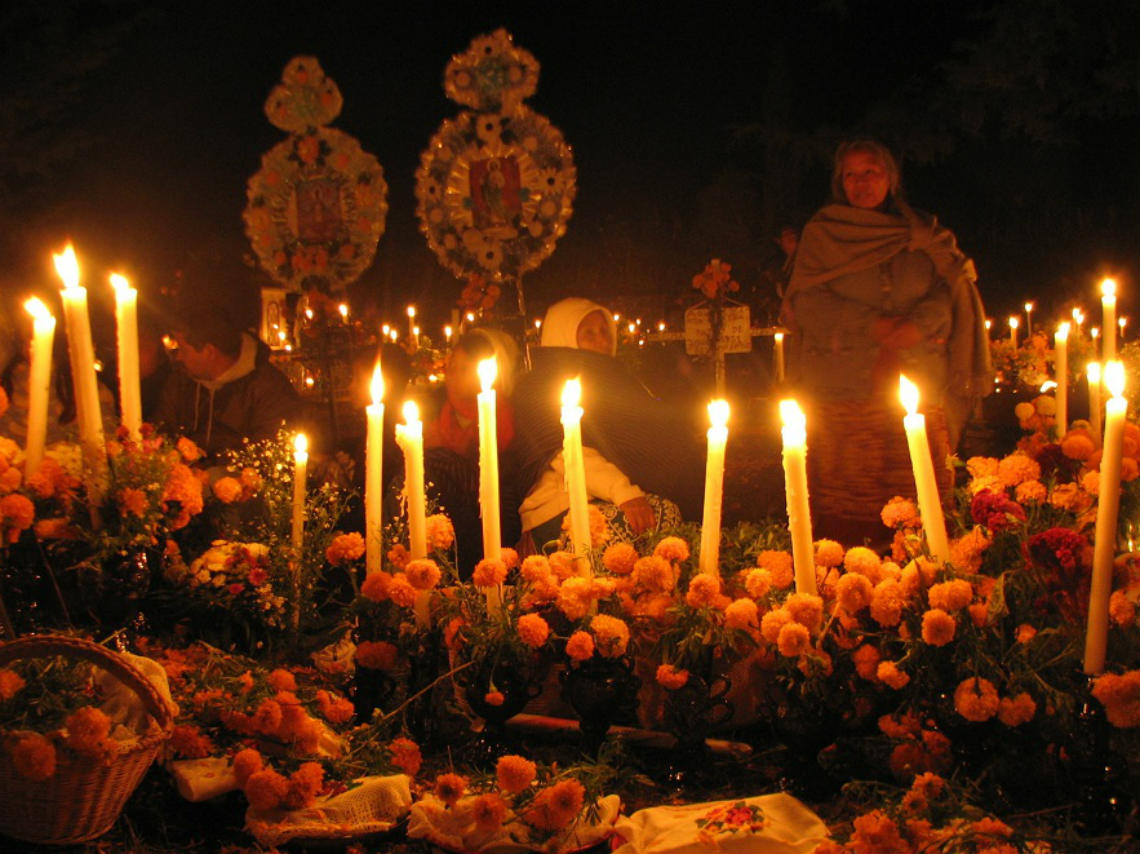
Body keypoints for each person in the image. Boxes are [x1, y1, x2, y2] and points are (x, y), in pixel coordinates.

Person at [782, 139, 991, 545]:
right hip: (844, 389)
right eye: (851, 174)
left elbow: (951, 288)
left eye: (871, 172)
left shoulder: (923, 233)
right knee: (848, 506)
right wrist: (871, 325)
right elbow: (806, 301)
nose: (861, 183)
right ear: (840, 182)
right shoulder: (825, 234)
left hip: (918, 383)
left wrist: (920, 324)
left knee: (920, 498)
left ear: (890, 178)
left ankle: (923, 592)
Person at [512, 298, 704, 552]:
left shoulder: (615, 381)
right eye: (589, 334)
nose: (602, 341)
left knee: (669, 520)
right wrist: (623, 492)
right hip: (561, 505)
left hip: (612, 497)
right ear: (562, 336)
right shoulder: (541, 385)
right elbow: (563, 449)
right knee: (655, 521)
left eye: (605, 331)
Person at [154, 265, 301, 459]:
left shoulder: (268, 390)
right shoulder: (181, 381)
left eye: (182, 349)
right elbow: (159, 434)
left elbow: (268, 456)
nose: (178, 356)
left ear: (209, 352)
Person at [418, 328, 521, 576]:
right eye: (451, 366)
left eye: (463, 369)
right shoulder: (435, 415)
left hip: (480, 523)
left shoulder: (503, 419)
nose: (452, 375)